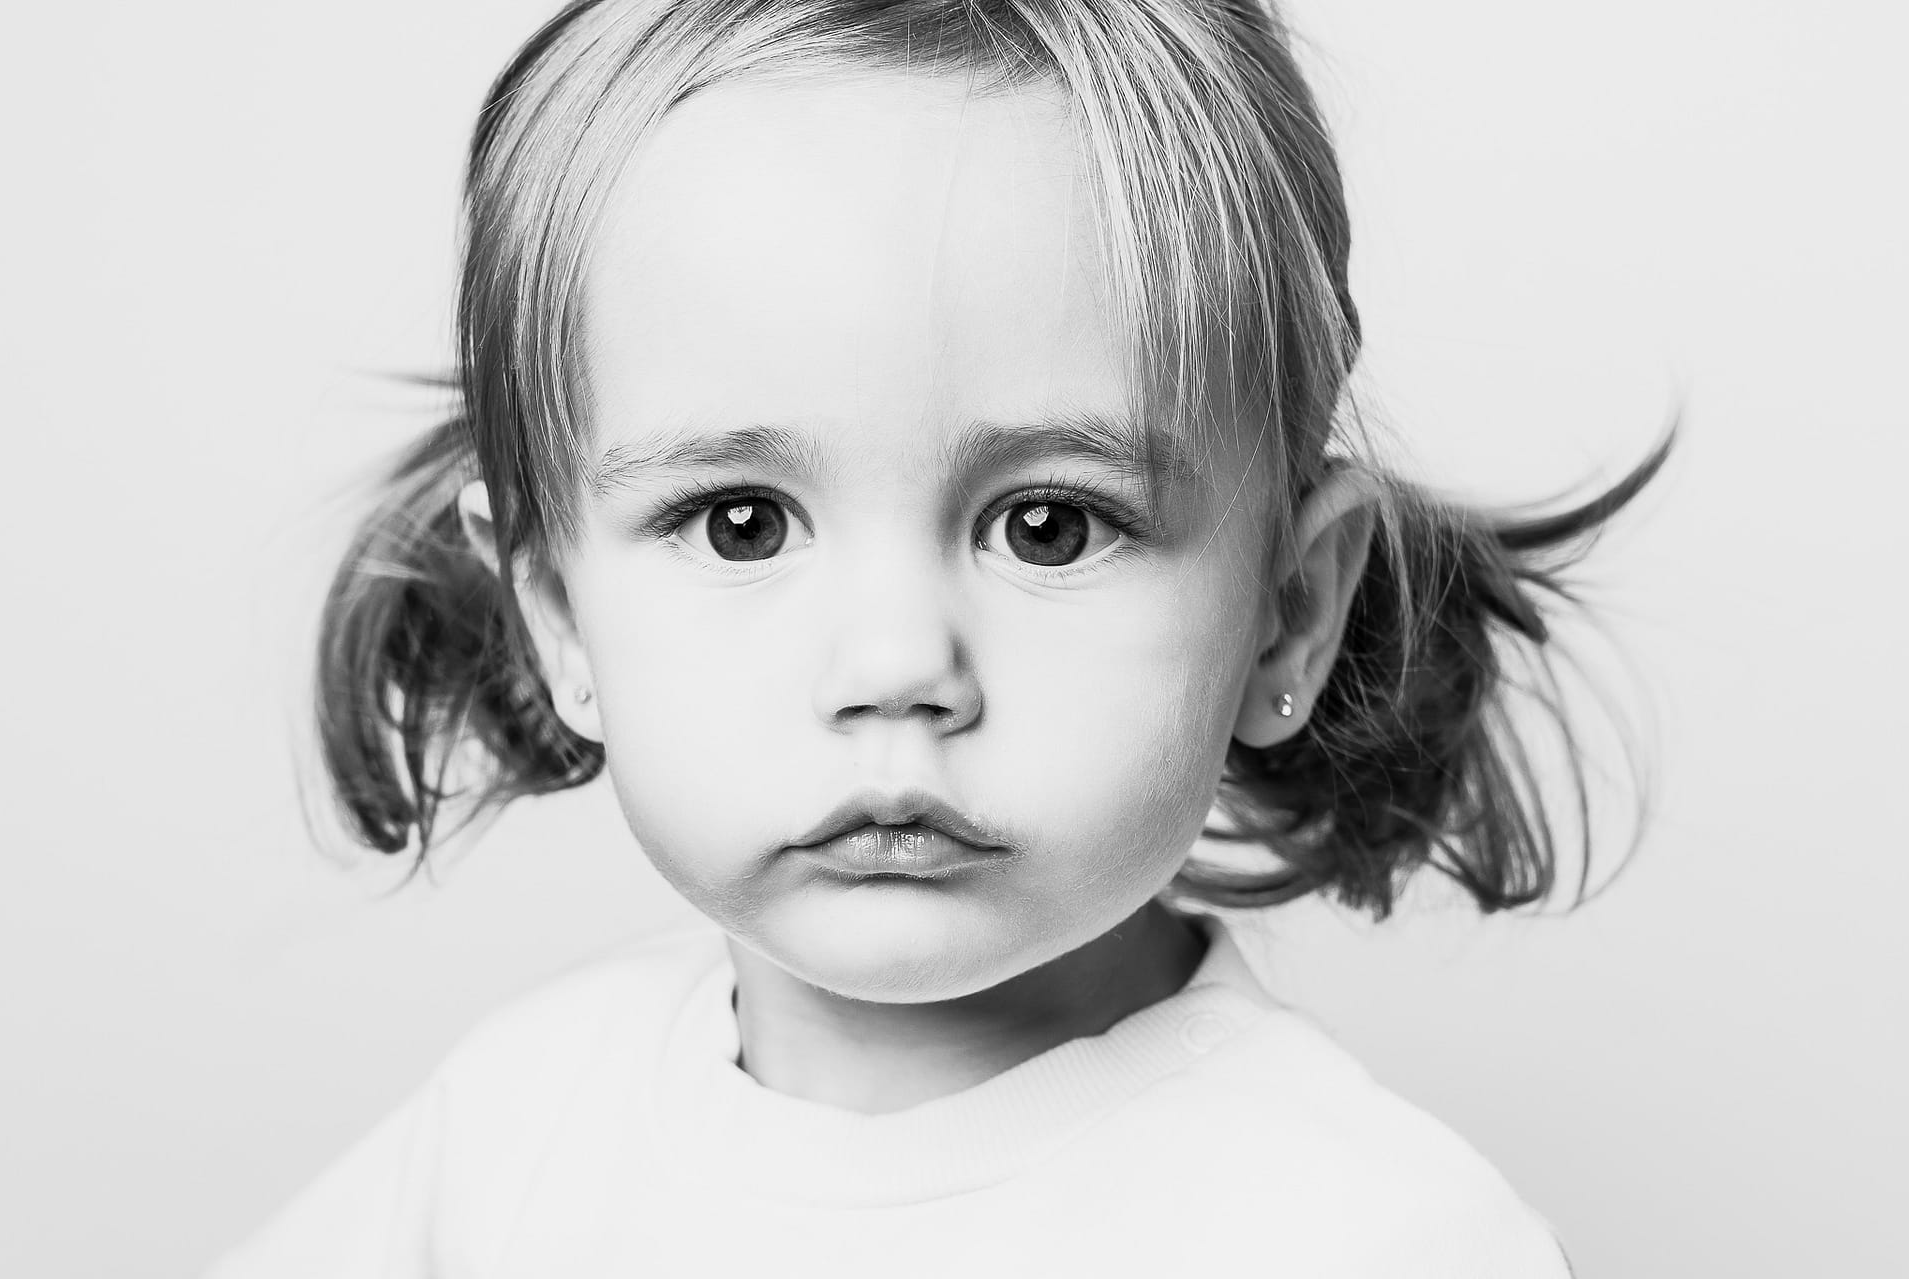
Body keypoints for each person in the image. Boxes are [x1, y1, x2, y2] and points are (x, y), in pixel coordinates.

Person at [212, 0, 1673, 1273]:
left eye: (1049, 525)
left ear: (1288, 610)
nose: (898, 666)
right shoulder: (517, 1139)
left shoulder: (1367, 1240)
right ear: (556, 615)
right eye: (740, 523)